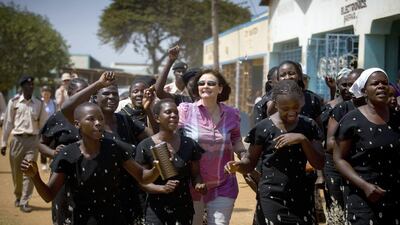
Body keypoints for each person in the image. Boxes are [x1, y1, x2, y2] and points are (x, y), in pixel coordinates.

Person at [21, 102, 160, 225]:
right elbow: (49, 195)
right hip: (82, 220)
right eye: (91, 119)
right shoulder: (68, 155)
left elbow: (142, 176)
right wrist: (35, 177)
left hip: (114, 219)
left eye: (100, 118)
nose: (98, 123)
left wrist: (157, 168)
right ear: (77, 124)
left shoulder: (114, 148)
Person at [225, 80, 324, 225]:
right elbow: (249, 164)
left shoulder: (308, 125)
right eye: (285, 108)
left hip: (302, 195)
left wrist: (303, 140)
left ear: (302, 102)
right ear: (275, 105)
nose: (291, 112)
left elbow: (319, 163)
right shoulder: (263, 128)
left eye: (296, 107)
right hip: (272, 196)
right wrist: (238, 166)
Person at [62, 71, 153, 225]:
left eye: (115, 94)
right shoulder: (88, 125)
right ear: (95, 98)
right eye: (106, 93)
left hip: (129, 194)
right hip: (97, 198)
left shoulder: (126, 121)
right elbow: (66, 108)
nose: (111, 97)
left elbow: (154, 137)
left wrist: (148, 109)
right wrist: (98, 84)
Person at [178, 69, 246, 225]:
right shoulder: (185, 110)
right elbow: (173, 137)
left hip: (223, 183)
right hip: (192, 185)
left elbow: (236, 139)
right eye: (201, 83)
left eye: (211, 83)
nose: (205, 86)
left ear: (220, 89)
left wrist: (243, 157)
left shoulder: (232, 114)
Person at [333, 68, 400, 224]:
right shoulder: (352, 120)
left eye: (384, 83)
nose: (381, 86)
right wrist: (364, 186)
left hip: (394, 196)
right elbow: (339, 159)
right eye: (375, 83)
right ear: (364, 90)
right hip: (363, 196)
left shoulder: (397, 118)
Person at [135, 98, 207, 224]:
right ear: (157, 118)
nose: (173, 115)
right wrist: (162, 188)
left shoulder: (189, 144)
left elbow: (196, 175)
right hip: (156, 211)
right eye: (168, 112)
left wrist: (199, 184)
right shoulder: (145, 146)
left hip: (183, 209)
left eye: (176, 113)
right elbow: (142, 181)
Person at [38, 78, 88, 225]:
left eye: (87, 92)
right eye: (79, 93)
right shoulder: (57, 118)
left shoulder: (95, 116)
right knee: (62, 216)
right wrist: (53, 153)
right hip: (61, 176)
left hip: (89, 174)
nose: (84, 97)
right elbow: (41, 144)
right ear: (69, 94)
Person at [1, 76, 48, 212]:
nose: (31, 87)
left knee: (30, 170)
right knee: (17, 172)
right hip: (17, 140)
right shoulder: (14, 102)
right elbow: (8, 123)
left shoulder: (39, 103)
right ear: (22, 87)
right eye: (28, 85)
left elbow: (43, 124)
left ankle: (24, 201)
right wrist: (3, 143)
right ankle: (18, 195)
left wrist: (43, 142)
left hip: (32, 141)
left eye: (33, 85)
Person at [323, 68, 363, 224]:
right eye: (345, 85)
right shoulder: (339, 109)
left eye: (354, 84)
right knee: (338, 211)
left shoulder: (381, 110)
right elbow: (329, 143)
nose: (350, 89)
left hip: (364, 170)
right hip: (337, 167)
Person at [39, 85, 57, 171]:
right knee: (43, 144)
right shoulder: (39, 102)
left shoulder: (54, 103)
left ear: (50, 94)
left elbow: (56, 113)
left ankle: (51, 161)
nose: (46, 94)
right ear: (41, 93)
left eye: (48, 92)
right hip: (42, 127)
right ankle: (43, 163)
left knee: (53, 144)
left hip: (52, 127)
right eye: (44, 92)